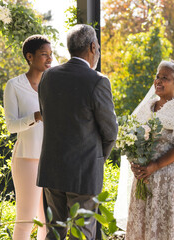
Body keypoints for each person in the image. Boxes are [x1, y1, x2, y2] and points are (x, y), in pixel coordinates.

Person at [37, 24, 118, 240]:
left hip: (52, 168)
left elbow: (46, 115)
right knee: (81, 234)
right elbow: (110, 131)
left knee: (54, 231)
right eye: (98, 47)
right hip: (84, 172)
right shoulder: (98, 81)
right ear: (93, 47)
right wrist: (98, 158)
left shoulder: (48, 77)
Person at [114, 60, 174, 239]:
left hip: (173, 182)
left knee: (169, 229)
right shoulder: (148, 106)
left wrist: (155, 165)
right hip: (145, 180)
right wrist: (136, 164)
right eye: (157, 76)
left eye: (165, 78)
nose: (158, 81)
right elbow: (132, 138)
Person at [3, 35, 53, 240]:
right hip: (26, 159)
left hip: (51, 159)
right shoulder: (14, 86)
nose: (49, 59)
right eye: (44, 55)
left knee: (48, 222)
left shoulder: (54, 84)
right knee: (26, 220)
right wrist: (36, 116)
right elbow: (11, 126)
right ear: (29, 56)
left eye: (51, 54)